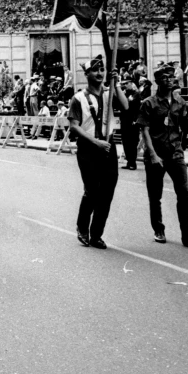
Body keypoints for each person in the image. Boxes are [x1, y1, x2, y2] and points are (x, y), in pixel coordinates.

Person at [137, 63, 188, 247]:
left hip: (175, 152)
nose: (169, 80)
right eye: (165, 78)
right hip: (156, 154)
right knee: (155, 195)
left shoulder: (180, 102)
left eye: (171, 77)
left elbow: (184, 128)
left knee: (184, 193)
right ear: (157, 81)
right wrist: (152, 154)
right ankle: (158, 229)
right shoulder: (149, 103)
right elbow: (145, 131)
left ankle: (187, 233)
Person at [67, 55, 128, 249]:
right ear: (86, 74)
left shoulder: (110, 93)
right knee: (92, 191)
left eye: (102, 70)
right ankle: (82, 228)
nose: (100, 73)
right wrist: (95, 142)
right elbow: (74, 126)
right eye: (95, 70)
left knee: (107, 193)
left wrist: (116, 82)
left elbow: (125, 106)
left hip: (108, 147)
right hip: (88, 148)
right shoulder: (78, 99)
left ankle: (97, 235)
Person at [120, 81, 141, 170]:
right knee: (125, 142)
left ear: (131, 84)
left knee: (132, 142)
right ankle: (129, 161)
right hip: (124, 120)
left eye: (126, 83)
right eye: (123, 84)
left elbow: (132, 105)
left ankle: (133, 162)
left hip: (133, 120)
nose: (124, 85)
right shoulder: (123, 94)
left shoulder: (136, 94)